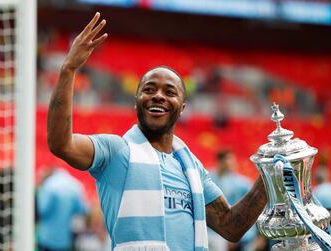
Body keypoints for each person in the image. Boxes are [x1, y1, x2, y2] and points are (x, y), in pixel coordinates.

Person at [47, 12, 267, 251]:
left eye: (169, 92)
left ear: (182, 109)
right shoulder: (115, 151)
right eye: (149, 89)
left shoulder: (190, 167)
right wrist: (68, 69)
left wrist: (271, 177)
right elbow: (61, 143)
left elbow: (230, 226)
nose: (159, 96)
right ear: (136, 102)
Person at [208, 150, 257, 251]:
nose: (231, 163)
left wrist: (239, 236)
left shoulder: (242, 183)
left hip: (235, 231)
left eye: (232, 160)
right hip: (211, 232)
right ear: (220, 162)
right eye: (228, 160)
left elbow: (251, 209)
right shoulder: (208, 179)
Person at [36, 165, 88, 251]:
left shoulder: (49, 185)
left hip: (47, 238)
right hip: (65, 240)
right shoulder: (75, 185)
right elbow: (82, 210)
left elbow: (41, 210)